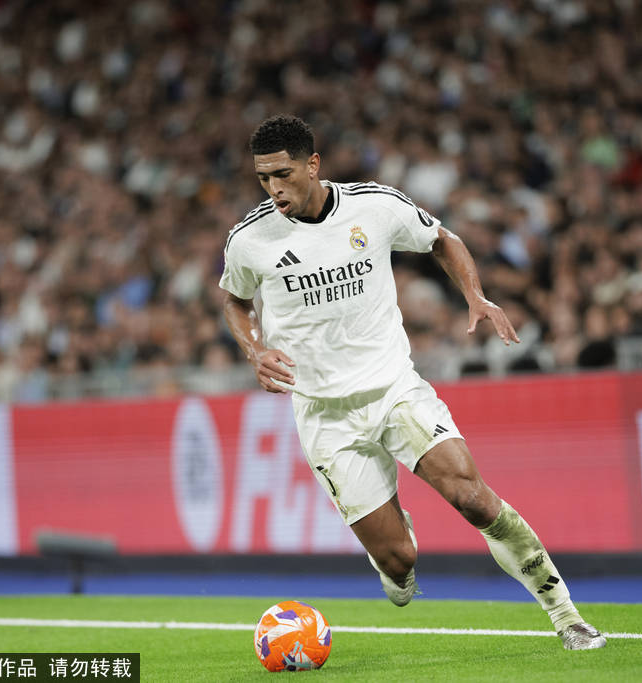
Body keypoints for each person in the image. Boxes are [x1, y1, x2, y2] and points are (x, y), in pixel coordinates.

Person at [220, 115, 606, 651]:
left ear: (313, 164)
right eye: (263, 178)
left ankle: (567, 617)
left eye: (283, 174)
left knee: (473, 498)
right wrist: (255, 350)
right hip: (325, 414)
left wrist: (475, 295)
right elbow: (235, 299)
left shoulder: (374, 206)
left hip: (395, 388)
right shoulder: (250, 239)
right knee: (399, 563)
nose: (273, 189)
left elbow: (442, 240)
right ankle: (395, 553)